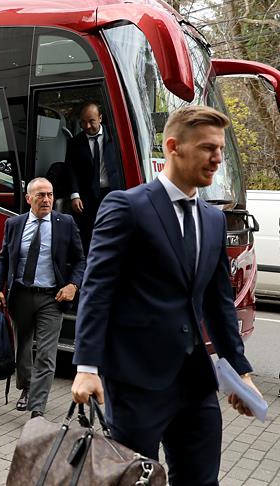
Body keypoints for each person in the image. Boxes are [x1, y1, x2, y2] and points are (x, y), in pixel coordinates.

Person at [71, 106, 262, 484]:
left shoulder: (213, 219)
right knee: (134, 481)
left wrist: (241, 372)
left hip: (197, 384)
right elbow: (97, 288)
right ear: (174, 147)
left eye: (220, 149)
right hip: (135, 384)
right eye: (208, 147)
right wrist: (86, 367)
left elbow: (218, 303)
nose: (217, 158)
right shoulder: (126, 206)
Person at [0, 177, 84, 417]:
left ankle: (37, 408)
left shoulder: (65, 223)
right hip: (20, 295)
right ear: (29, 198)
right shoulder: (14, 224)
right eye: (41, 195)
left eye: (50, 194)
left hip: (52, 298)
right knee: (22, 349)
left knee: (46, 354)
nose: (47, 200)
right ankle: (27, 387)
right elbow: (3, 257)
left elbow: (80, 260)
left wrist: (73, 285)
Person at [64, 102, 123, 252]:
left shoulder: (117, 137)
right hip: (86, 197)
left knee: (112, 232)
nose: (87, 126)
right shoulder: (74, 143)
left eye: (91, 121)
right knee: (88, 235)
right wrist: (74, 195)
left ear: (100, 118)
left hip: (111, 193)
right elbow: (71, 170)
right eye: (83, 122)